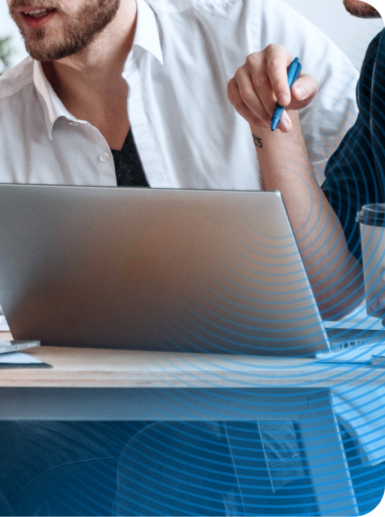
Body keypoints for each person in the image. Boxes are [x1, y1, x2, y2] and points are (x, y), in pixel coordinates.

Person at [0, 0, 366, 515]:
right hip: (95, 413)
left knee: (167, 462)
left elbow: (363, 220)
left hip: (275, 403)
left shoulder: (254, 32)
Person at [112, 1, 385, 515]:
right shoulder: (384, 60)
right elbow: (335, 288)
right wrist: (272, 122)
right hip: (295, 393)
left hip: (348, 408)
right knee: (165, 459)